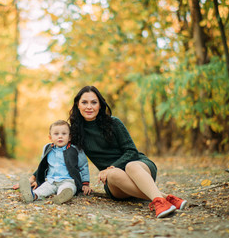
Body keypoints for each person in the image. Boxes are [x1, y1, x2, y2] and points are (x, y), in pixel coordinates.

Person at [68, 86, 187, 218]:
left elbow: (131, 151)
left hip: (139, 168)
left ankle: (160, 202)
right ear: (77, 105)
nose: (89, 106)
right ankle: (167, 198)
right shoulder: (75, 132)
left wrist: (111, 167)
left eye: (94, 102)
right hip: (115, 182)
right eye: (84, 102)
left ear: (100, 105)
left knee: (131, 166)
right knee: (113, 174)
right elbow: (66, 156)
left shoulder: (114, 123)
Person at [19, 120, 92, 204]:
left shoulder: (75, 150)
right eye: (56, 134)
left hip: (68, 180)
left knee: (68, 188)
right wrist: (38, 180)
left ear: (69, 137)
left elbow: (83, 166)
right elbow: (43, 166)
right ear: (50, 137)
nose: (60, 136)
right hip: (50, 181)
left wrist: (85, 184)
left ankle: (62, 197)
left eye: (64, 134)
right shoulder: (47, 148)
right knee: (42, 189)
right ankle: (32, 196)